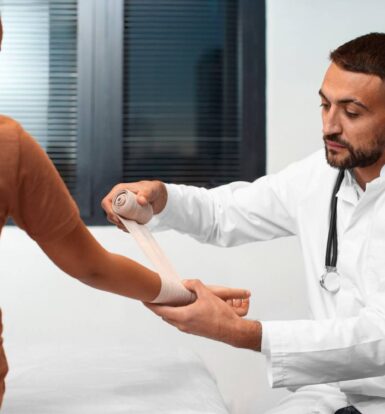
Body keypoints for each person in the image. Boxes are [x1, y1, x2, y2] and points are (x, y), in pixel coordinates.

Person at [102, 32, 385, 414]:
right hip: (333, 392)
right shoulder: (321, 175)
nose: (330, 126)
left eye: (351, 112)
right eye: (324, 105)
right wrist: (161, 199)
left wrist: (242, 333)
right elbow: (224, 214)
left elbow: (380, 338)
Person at [0, 17, 250, 407]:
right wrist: (181, 295)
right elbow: (90, 265)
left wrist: (184, 295)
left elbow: (91, 264)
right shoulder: (8, 144)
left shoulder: (9, 147)